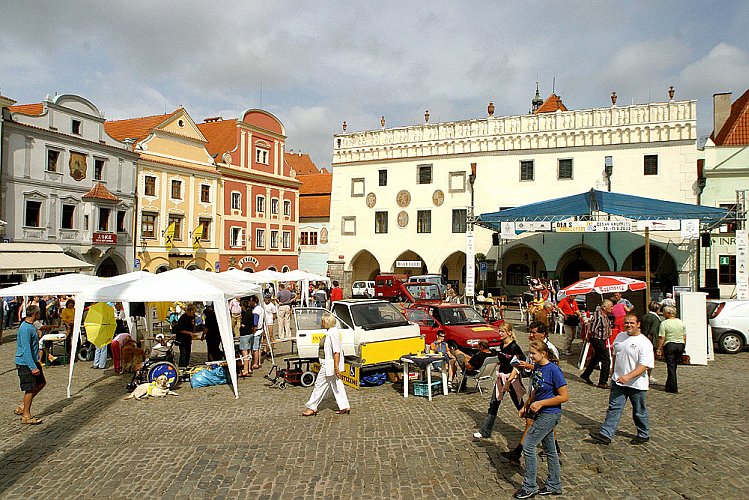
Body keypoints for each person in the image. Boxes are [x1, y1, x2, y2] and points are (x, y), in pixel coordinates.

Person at [513, 340, 568, 499]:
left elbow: (564, 396)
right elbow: (535, 389)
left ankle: (530, 486)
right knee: (550, 449)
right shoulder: (538, 367)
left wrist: (541, 403)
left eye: (533, 354)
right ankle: (554, 484)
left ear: (543, 354)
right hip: (539, 412)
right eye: (530, 353)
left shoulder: (554, 370)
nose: (530, 356)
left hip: (550, 414)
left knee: (529, 445)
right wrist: (526, 405)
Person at [590, 314, 654, 446]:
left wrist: (628, 377)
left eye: (631, 323)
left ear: (638, 324)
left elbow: (644, 366)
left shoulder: (644, 343)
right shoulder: (620, 336)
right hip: (618, 381)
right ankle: (605, 434)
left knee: (639, 410)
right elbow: (615, 355)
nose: (628, 325)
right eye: (626, 323)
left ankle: (643, 433)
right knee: (614, 408)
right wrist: (613, 373)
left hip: (636, 384)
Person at [474, 322, 526, 439]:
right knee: (494, 404)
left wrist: (508, 383)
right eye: (499, 331)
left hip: (511, 380)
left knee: (519, 405)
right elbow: (501, 359)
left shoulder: (514, 347)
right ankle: (485, 431)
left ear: (509, 333)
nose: (500, 334)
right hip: (501, 378)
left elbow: (516, 367)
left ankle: (534, 428)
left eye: (502, 331)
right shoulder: (502, 345)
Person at [302, 312, 350, 416]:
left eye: (323, 321)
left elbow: (336, 351)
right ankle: (344, 405)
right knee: (337, 384)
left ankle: (312, 407)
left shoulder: (333, 333)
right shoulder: (331, 332)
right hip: (329, 364)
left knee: (319, 385)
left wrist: (336, 368)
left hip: (329, 365)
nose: (321, 323)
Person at [15, 305, 46, 425]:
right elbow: (26, 349)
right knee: (29, 389)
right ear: (35, 314)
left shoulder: (30, 326)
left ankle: (23, 406)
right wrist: (32, 367)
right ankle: (26, 416)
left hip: (33, 361)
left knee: (41, 383)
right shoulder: (25, 328)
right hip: (25, 363)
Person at [581, 300, 613, 389]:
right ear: (604, 307)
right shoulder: (599, 316)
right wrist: (589, 338)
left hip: (602, 339)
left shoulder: (605, 315)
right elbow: (592, 329)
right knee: (606, 360)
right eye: (610, 306)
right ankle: (602, 382)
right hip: (597, 339)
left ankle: (585, 374)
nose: (612, 308)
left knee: (597, 358)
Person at [657, 306, 686, 393]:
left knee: (671, 367)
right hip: (680, 345)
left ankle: (673, 387)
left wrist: (659, 348)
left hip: (670, 345)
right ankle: (668, 384)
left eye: (664, 312)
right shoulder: (681, 323)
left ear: (668, 314)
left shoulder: (664, 323)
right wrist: (684, 346)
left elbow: (662, 337)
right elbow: (684, 337)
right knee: (674, 366)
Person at [641, 301, 662, 382]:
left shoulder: (644, 316)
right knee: (650, 360)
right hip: (651, 340)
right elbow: (653, 331)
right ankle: (648, 376)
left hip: (643, 337)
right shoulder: (656, 318)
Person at [239, 299, 254, 377]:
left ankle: (245, 370)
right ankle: (248, 368)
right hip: (250, 333)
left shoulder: (246, 314)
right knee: (249, 352)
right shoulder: (251, 313)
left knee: (245, 353)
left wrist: (240, 325)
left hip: (245, 334)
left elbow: (243, 325)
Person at [251, 296, 264, 369]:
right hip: (260, 330)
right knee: (258, 347)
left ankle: (255, 363)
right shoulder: (261, 309)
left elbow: (255, 323)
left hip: (257, 331)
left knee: (255, 348)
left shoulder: (256, 311)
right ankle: (258, 362)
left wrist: (253, 331)